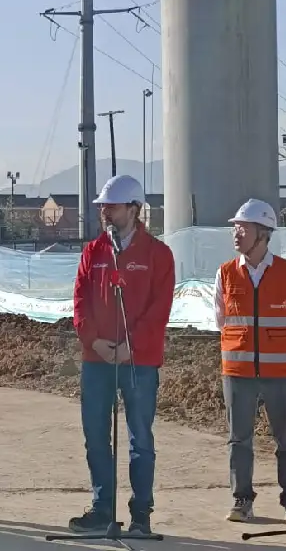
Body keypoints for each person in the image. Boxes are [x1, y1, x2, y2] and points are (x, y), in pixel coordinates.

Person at [67, 174, 176, 536]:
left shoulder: (158, 255)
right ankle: (103, 510)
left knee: (139, 439)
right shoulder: (94, 251)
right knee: (96, 436)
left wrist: (132, 345)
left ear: (134, 209)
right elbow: (80, 302)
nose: (105, 213)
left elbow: (159, 309)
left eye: (111, 207)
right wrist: (94, 341)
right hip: (96, 360)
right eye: (102, 207)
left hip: (139, 362)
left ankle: (140, 514)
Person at [213, 198, 286, 525]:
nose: (236, 233)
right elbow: (220, 319)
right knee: (239, 439)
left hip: (279, 372)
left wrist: (277, 350)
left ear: (263, 233)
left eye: (243, 227)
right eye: (235, 227)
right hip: (238, 371)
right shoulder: (225, 273)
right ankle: (242, 500)